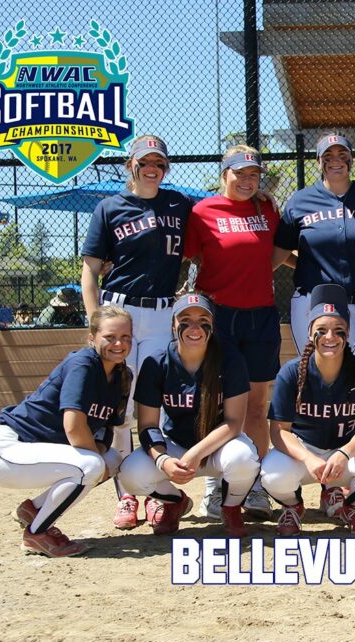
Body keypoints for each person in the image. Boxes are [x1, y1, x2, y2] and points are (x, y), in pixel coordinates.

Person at [80, 134, 195, 529]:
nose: (152, 168)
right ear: (131, 165)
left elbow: (214, 224)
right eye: (145, 161)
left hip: (164, 312)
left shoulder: (179, 204)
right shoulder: (110, 207)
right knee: (120, 404)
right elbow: (91, 270)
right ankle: (126, 495)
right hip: (121, 311)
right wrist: (96, 323)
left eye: (159, 162)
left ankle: (159, 493)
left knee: (155, 403)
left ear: (166, 168)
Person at [0, 306, 131, 556]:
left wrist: (101, 457)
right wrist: (96, 463)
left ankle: (35, 510)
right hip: (7, 449)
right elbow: (73, 427)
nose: (119, 343)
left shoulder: (122, 375)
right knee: (91, 465)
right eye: (110, 337)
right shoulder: (83, 364)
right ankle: (37, 534)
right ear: (92, 338)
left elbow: (105, 428)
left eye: (125, 337)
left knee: (111, 459)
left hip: (34, 453)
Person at [185, 146, 282, 521]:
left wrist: (256, 274)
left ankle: (253, 485)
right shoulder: (202, 212)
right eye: (239, 173)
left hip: (261, 316)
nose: (246, 180)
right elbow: (189, 255)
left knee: (257, 405)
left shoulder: (267, 209)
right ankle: (216, 484)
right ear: (224, 174)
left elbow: (273, 253)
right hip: (219, 316)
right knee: (217, 402)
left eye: (253, 175)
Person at [116, 293, 260, 537]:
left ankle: (231, 508)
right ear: (173, 324)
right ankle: (175, 501)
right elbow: (148, 425)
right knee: (130, 474)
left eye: (203, 319)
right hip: (175, 446)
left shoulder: (230, 359)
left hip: (218, 447)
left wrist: (197, 453)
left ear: (212, 325)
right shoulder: (157, 362)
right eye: (186, 319)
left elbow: (234, 423)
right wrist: (162, 460)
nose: (195, 327)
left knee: (244, 458)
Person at [260, 285, 355, 535]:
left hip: (345, 456)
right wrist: (307, 457)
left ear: (348, 333)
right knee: (272, 472)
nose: (330, 337)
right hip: (306, 456)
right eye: (321, 330)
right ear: (310, 333)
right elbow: (278, 431)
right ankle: (293, 507)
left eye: (338, 330)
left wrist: (344, 453)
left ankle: (354, 506)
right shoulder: (291, 371)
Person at [274, 132, 355, 353]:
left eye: (342, 154)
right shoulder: (301, 201)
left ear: (351, 159)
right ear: (319, 161)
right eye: (327, 155)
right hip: (311, 303)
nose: (336, 160)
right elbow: (279, 253)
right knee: (314, 372)